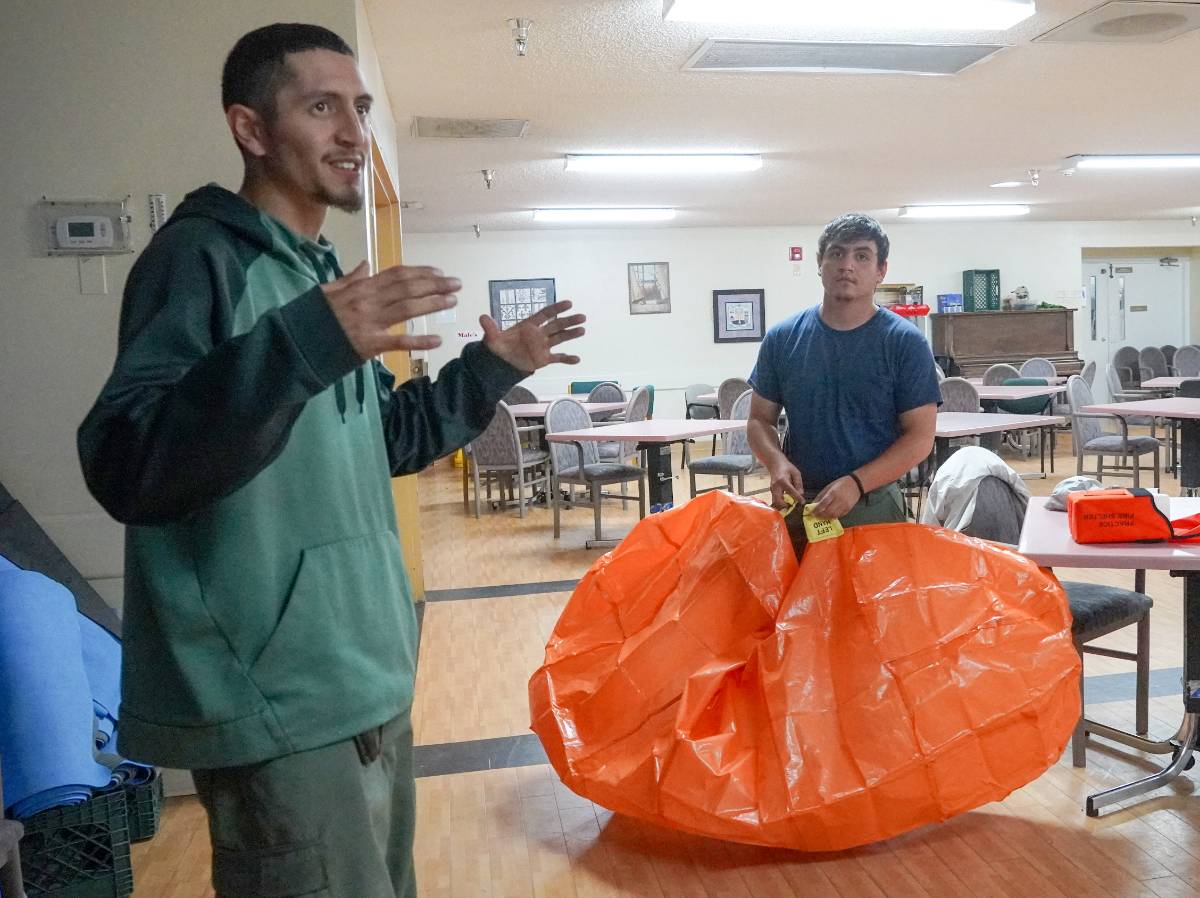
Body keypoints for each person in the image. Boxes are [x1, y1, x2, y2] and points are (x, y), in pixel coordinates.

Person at [76, 23, 585, 898]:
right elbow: (129, 461)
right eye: (322, 107)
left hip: (364, 666)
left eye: (361, 108)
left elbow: (386, 439)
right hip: (275, 691)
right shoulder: (200, 259)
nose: (354, 133)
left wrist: (495, 369)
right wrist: (307, 338)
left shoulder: (320, 276)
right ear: (251, 128)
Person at [746, 213, 938, 550]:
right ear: (820, 263)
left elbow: (920, 437)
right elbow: (759, 420)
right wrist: (777, 463)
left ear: (881, 271)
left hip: (872, 505)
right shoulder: (782, 338)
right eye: (836, 253)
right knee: (799, 602)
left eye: (862, 256)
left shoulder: (904, 344)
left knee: (869, 603)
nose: (846, 265)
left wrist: (856, 483)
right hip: (800, 505)